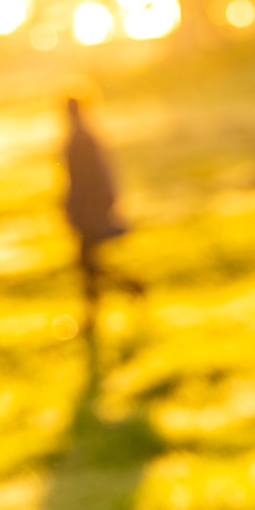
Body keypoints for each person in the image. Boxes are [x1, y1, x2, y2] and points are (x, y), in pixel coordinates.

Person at [60, 96, 144, 338]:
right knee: (88, 266)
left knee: (88, 266)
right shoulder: (85, 136)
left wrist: (85, 212)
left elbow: (85, 181)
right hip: (88, 212)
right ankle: (121, 296)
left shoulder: (80, 139)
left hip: (88, 214)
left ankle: (129, 290)